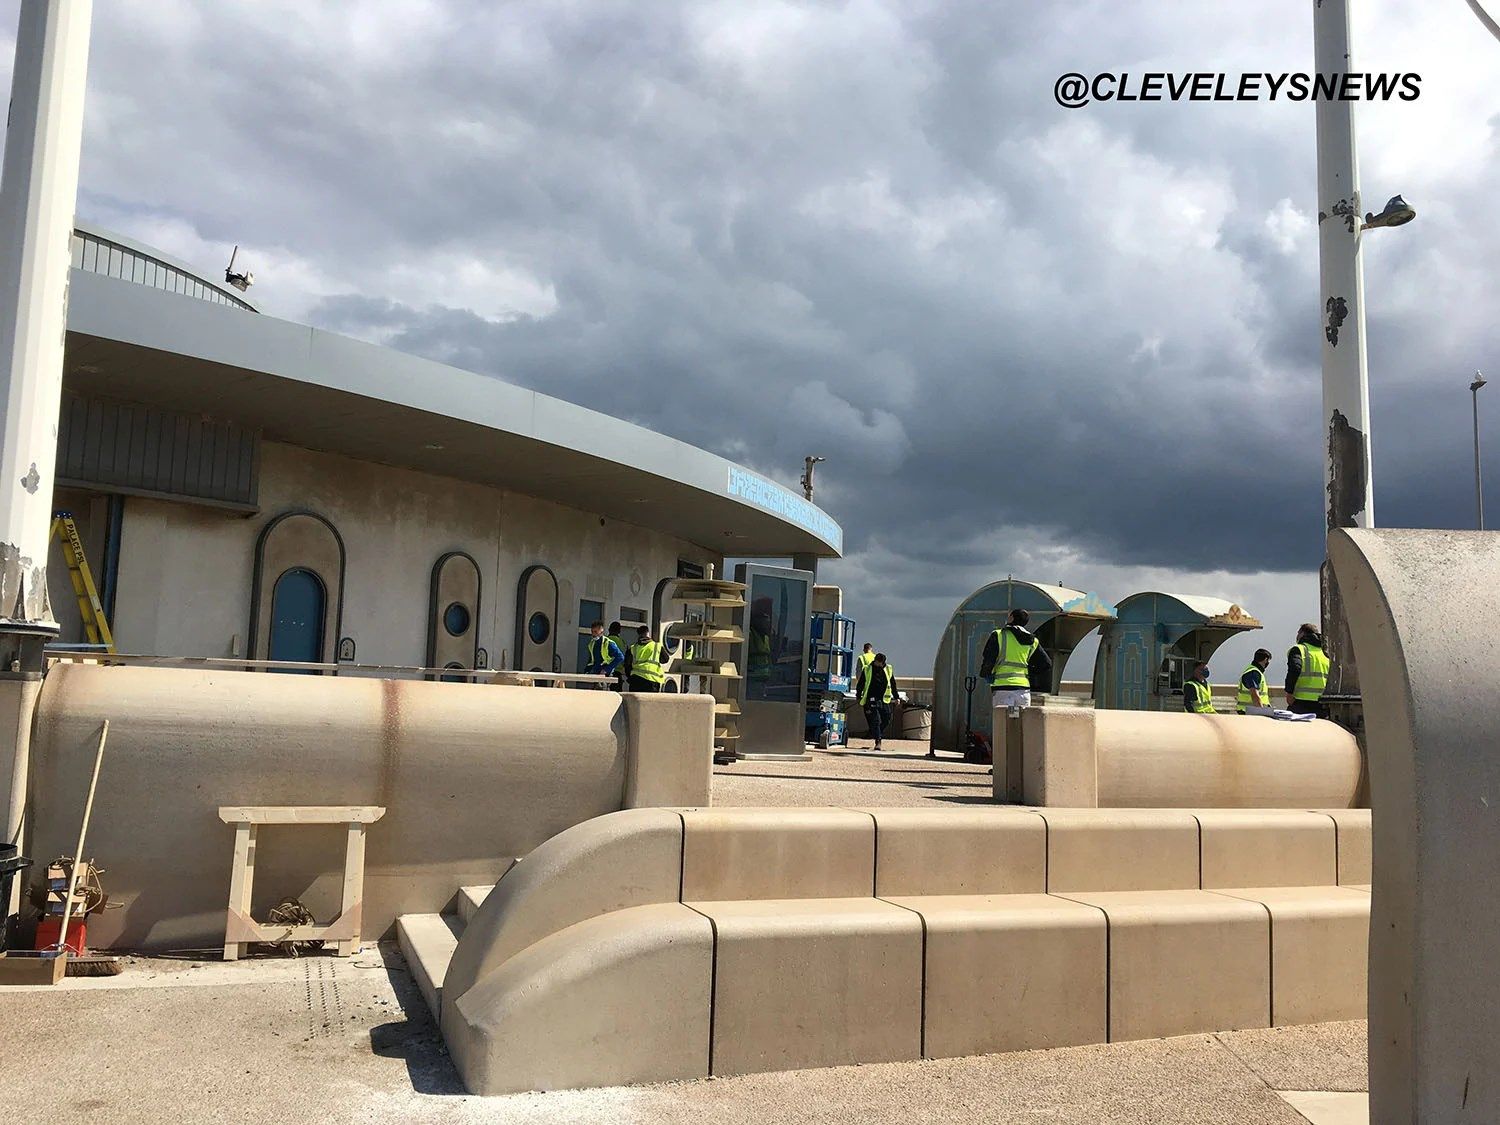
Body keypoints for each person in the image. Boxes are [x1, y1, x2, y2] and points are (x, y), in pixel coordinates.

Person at [978, 609, 1053, 717]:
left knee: (1003, 724)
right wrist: (1028, 672)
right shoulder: (1033, 640)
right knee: (1016, 722)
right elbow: (1046, 664)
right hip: (1023, 691)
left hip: (1003, 689)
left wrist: (985, 674)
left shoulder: (999, 635)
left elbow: (988, 659)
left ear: (1012, 618)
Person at [1285, 623, 1331, 719]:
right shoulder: (1325, 652)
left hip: (1301, 702)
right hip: (1322, 703)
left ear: (1302, 634)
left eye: (1298, 633)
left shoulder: (1299, 649)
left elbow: (1295, 669)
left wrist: (1289, 692)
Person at [856, 652, 897, 751]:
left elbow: (893, 683)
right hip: (871, 698)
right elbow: (861, 683)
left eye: (879, 663)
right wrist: (858, 695)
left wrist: (896, 697)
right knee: (876, 720)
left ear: (883, 663)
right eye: (876, 662)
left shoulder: (888, 669)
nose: (877, 664)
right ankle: (878, 741)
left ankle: (875, 732)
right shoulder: (867, 669)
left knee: (887, 718)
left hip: (883, 699)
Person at [626, 625, 668, 693]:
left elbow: (627, 665)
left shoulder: (633, 648)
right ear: (648, 633)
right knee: (649, 702)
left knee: (634, 702)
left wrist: (630, 677)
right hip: (652, 681)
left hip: (635, 680)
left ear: (638, 634)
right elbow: (666, 659)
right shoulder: (657, 646)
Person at [583, 621, 623, 688]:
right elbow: (591, 660)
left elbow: (620, 657)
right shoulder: (592, 644)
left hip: (606, 675)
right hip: (596, 674)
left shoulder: (608, 643)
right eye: (592, 631)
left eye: (595, 632)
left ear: (601, 632)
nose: (593, 634)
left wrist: (606, 670)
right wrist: (587, 671)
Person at [1236, 649, 1274, 715]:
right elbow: (1255, 695)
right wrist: (1262, 712)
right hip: (1251, 713)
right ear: (1265, 659)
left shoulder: (1253, 671)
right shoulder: (1253, 673)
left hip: (1250, 712)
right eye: (1268, 661)